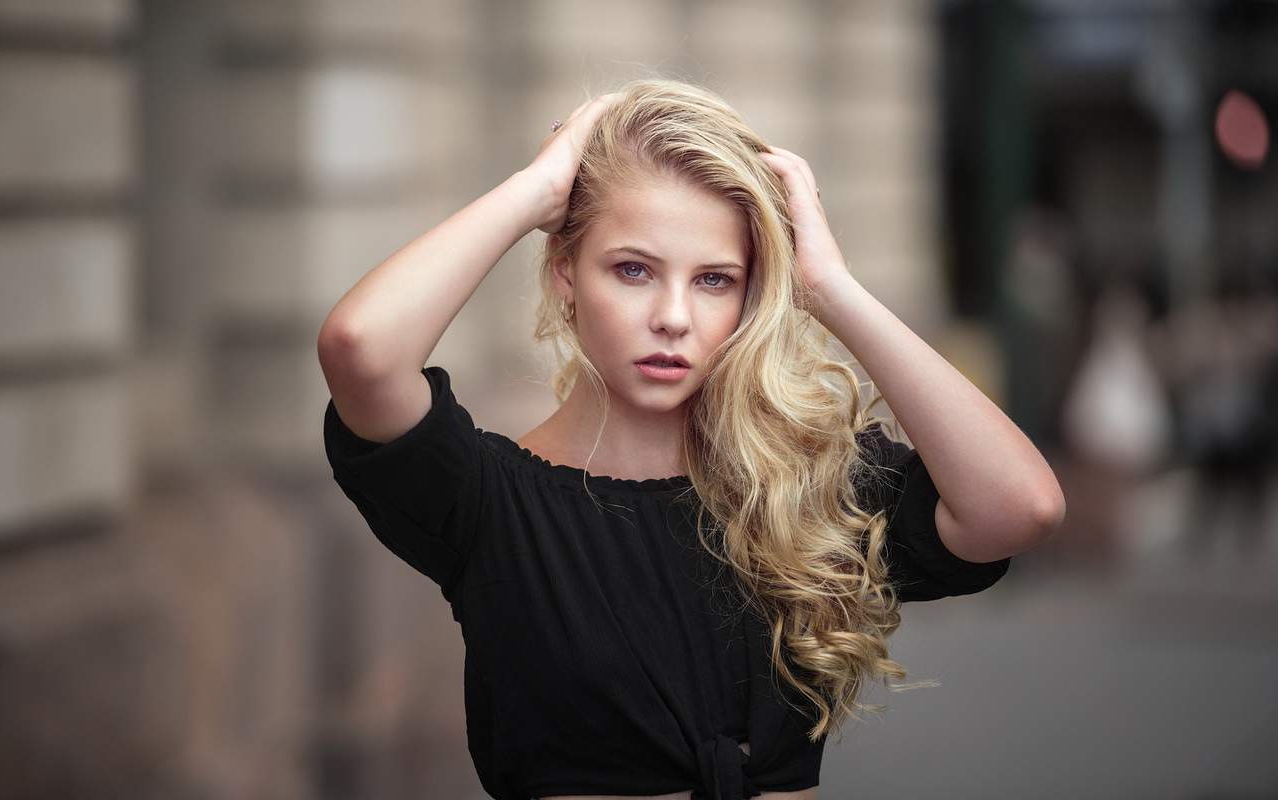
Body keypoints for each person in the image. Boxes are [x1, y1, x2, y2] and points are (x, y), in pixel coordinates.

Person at [318, 79, 1064, 800]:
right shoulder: (490, 503)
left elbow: (1020, 507)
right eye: (634, 269)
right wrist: (535, 194)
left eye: (714, 280)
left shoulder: (798, 489)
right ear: (565, 275)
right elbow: (361, 349)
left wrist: (830, 287)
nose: (673, 316)